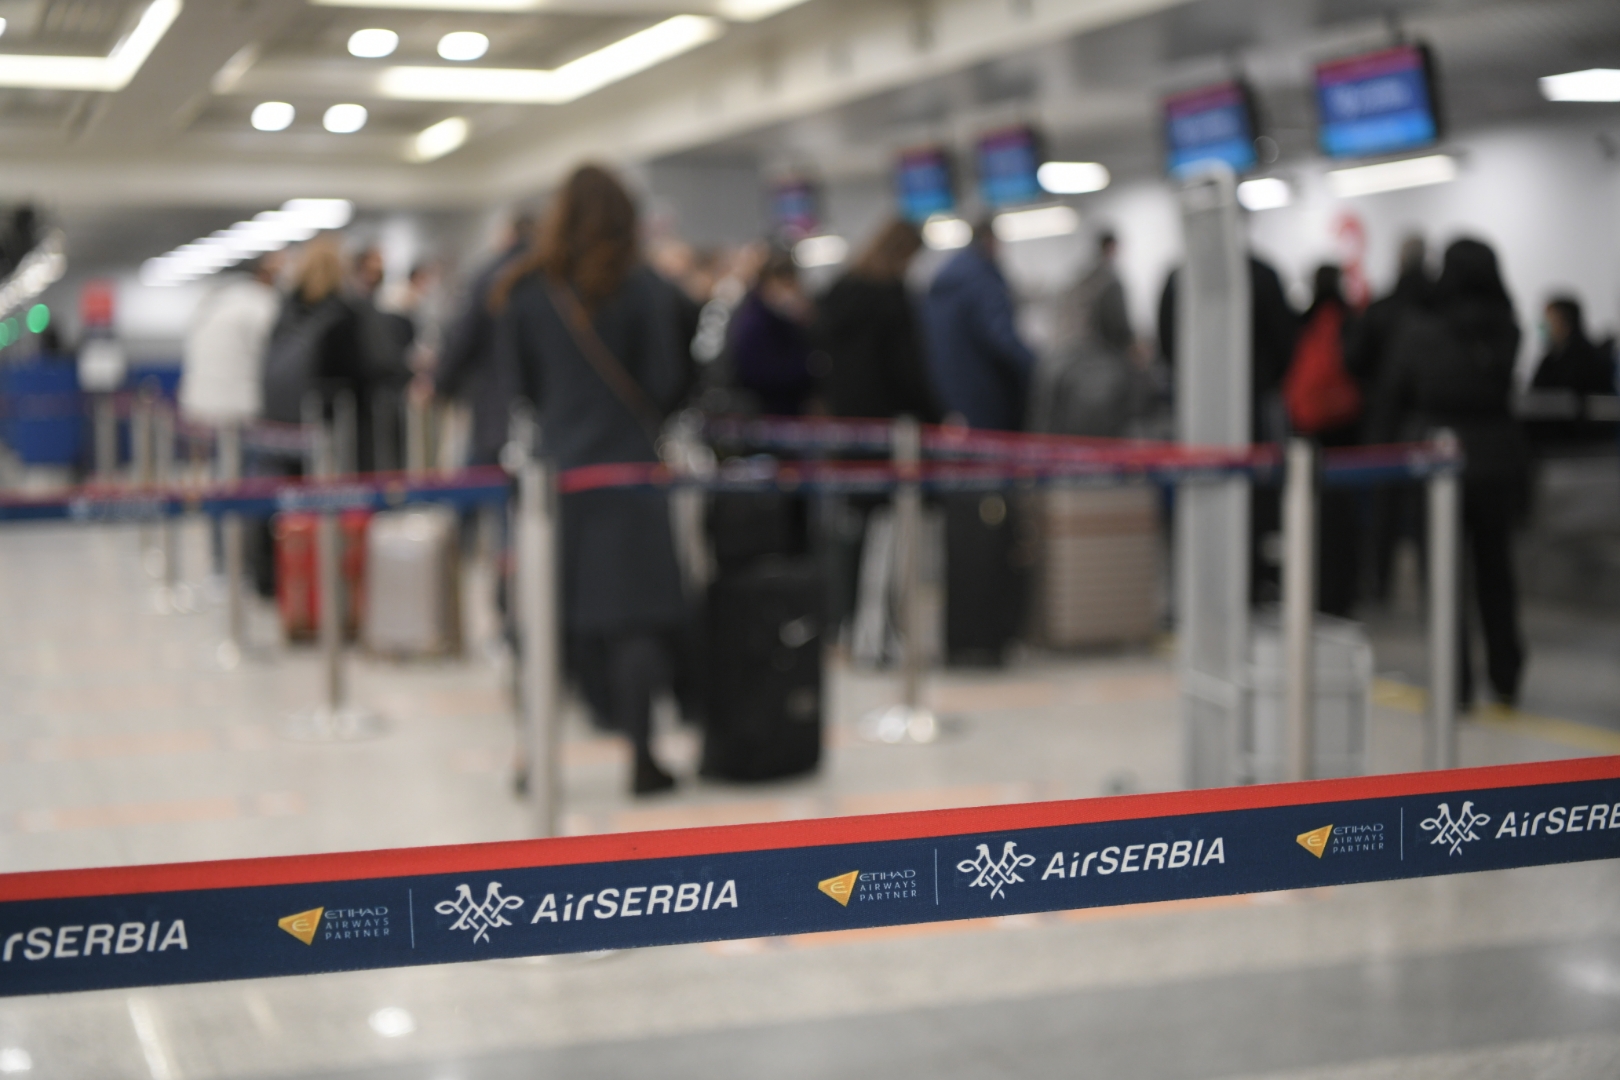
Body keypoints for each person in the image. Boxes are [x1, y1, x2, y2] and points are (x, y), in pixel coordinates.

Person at [493, 164, 686, 795]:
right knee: (632, 623)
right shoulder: (646, 288)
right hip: (630, 477)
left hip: (557, 485)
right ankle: (642, 758)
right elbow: (665, 385)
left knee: (544, 625)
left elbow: (518, 389)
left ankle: (533, 759)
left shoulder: (525, 290)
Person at [1371, 238, 1529, 709]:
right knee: (1496, 570)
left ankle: (1453, 681)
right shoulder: (1506, 327)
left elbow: (1395, 391)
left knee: (1442, 576)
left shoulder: (1421, 328)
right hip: (1498, 460)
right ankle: (1506, 673)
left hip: (1438, 462)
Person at [1158, 254, 1299, 602]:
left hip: (1199, 411)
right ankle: (1251, 583)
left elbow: (1166, 346)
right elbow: (1287, 344)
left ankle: (1207, 586)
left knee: (1204, 498)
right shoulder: (1263, 275)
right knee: (1251, 501)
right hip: (1248, 409)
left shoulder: (1180, 276)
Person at [1347, 236, 1431, 604]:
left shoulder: (1382, 309)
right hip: (1428, 418)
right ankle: (1434, 587)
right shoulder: (1439, 307)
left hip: (1385, 418)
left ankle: (1380, 584)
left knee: (1383, 507)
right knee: (1432, 510)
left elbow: (1355, 359)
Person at [1287, 264, 1361, 616]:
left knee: (1309, 516)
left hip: (1309, 434)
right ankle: (1341, 593)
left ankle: (1311, 590)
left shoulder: (1304, 322)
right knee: (1343, 521)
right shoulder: (1350, 321)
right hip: (1346, 434)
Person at [814, 219, 939, 422]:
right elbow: (905, 362)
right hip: (887, 411)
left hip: (844, 408)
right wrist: (931, 412)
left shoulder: (839, 291)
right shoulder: (890, 297)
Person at [435, 215, 534, 466]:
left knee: (487, 477)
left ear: (509, 235)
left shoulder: (489, 275)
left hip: (495, 398)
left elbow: (465, 336)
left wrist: (441, 384)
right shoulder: (555, 278)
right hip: (543, 409)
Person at [924, 219, 1038, 430]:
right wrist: (1035, 366)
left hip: (950, 390)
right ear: (990, 241)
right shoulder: (982, 279)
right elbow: (1001, 337)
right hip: (988, 390)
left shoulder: (945, 279)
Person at [1031, 229, 1142, 436]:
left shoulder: (1080, 277)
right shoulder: (1110, 281)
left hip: (1062, 366)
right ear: (1112, 248)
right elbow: (1120, 328)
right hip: (1096, 374)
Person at [180, 252, 282, 430]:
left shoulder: (210, 303)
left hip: (198, 404)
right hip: (240, 409)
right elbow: (274, 355)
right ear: (262, 273)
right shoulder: (262, 304)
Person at [728, 248, 815, 415]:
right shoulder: (754, 321)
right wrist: (807, 370)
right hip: (766, 413)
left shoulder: (784, 318)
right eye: (786, 283)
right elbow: (757, 373)